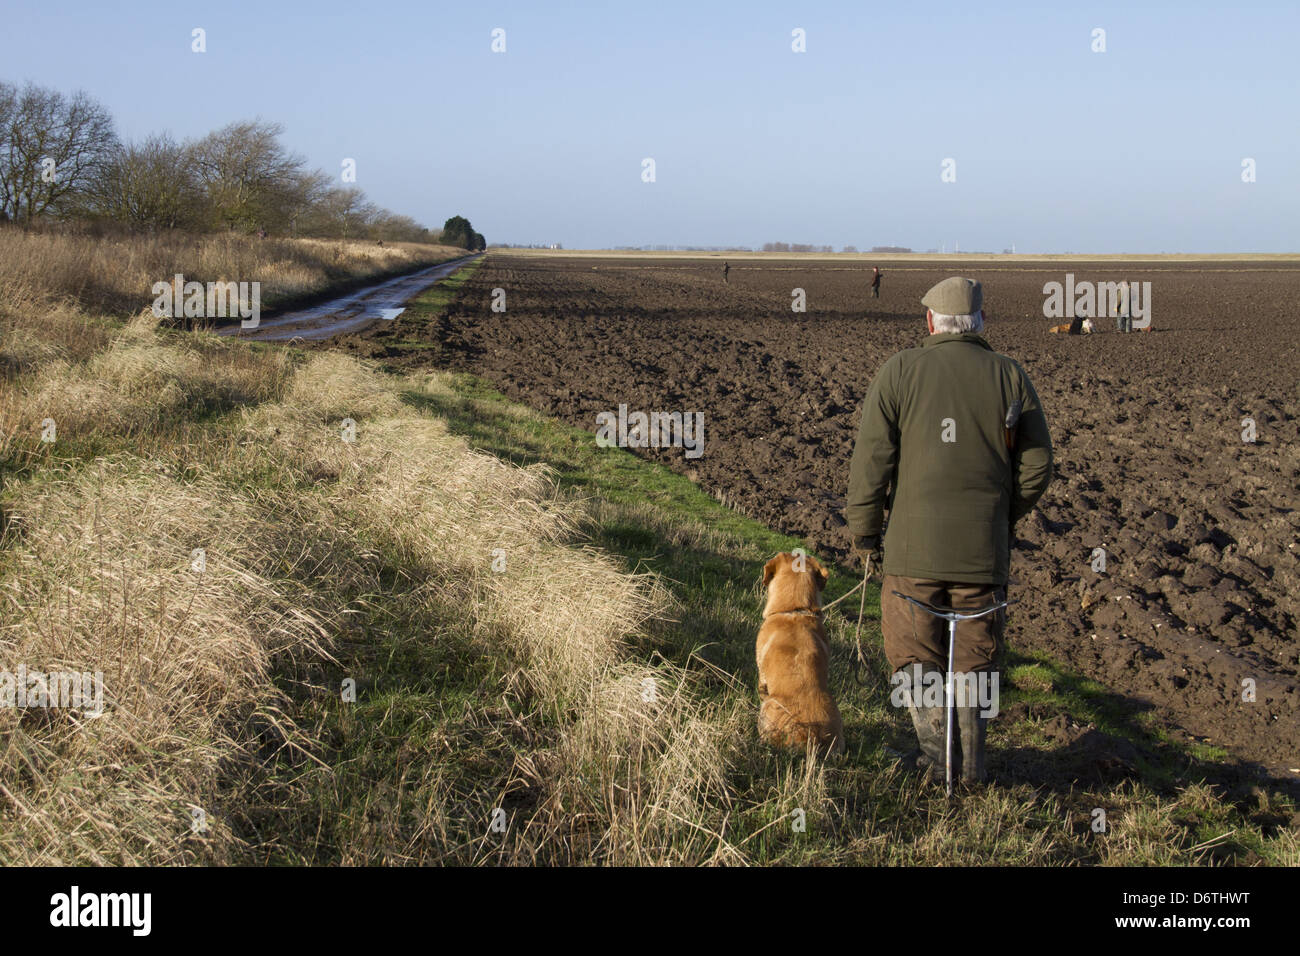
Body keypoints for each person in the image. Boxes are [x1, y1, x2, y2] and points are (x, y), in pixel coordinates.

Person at [845, 277, 1054, 784]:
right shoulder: (1010, 376)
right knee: (975, 660)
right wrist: (999, 519)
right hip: (982, 556)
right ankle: (971, 769)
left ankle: (935, 763)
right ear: (980, 322)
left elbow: (872, 462)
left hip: (911, 557)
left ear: (931, 322)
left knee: (916, 654)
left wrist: (866, 534)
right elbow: (1038, 467)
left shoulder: (900, 372)